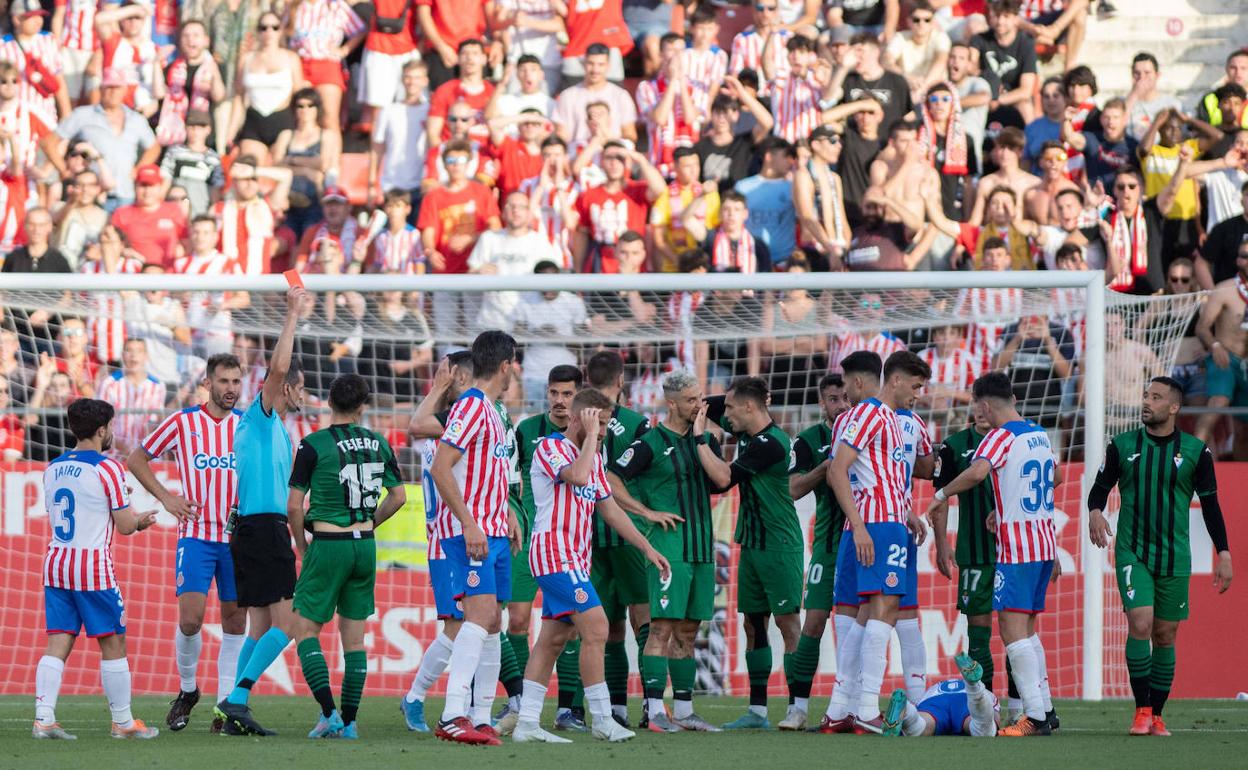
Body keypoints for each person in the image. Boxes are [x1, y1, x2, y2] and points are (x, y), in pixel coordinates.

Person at [511, 390, 671, 744]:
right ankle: (601, 718)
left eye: (604, 426)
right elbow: (578, 477)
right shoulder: (550, 448)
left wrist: (647, 547)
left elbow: (610, 509)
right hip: (554, 552)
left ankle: (526, 723)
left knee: (552, 639)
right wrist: (589, 440)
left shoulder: (593, 458)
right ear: (581, 418)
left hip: (574, 558)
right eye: (598, 424)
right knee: (597, 627)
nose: (603, 432)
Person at [1087, 376, 1232, 737]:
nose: (1146, 402)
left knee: (1165, 636)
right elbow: (1099, 490)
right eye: (1145, 396)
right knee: (1140, 623)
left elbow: (1211, 506)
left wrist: (1224, 553)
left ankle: (1158, 715)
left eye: (1155, 397)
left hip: (1174, 555)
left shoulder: (1197, 452)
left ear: (1174, 407)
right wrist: (1094, 511)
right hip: (1132, 551)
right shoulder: (1121, 446)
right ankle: (1141, 711)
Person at [926, 371, 1061, 737]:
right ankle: (1045, 709)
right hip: (1043, 544)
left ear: (985, 406)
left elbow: (976, 472)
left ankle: (1032, 717)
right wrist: (1005, 508)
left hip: (1017, 550)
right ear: (1013, 400)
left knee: (1012, 631)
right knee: (1029, 631)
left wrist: (939, 496)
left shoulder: (1000, 436)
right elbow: (1056, 476)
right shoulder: (1037, 432)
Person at [127, 351, 246, 734]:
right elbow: (137, 458)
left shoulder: (248, 426)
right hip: (195, 536)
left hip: (237, 539)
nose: (231, 389)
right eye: (224, 381)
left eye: (236, 381)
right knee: (192, 621)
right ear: (208, 384)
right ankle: (188, 691)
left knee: (234, 621)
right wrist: (167, 498)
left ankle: (226, 707)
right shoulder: (183, 421)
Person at [212, 287, 312, 736]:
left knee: (262, 625)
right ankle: (235, 699)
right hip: (263, 531)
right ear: (287, 388)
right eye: (301, 387)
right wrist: (291, 314)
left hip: (252, 530)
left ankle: (234, 710)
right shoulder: (262, 415)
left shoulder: (278, 432)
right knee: (291, 624)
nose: (303, 395)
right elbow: (277, 366)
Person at [32, 398, 159, 740]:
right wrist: (139, 520)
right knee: (113, 641)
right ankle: (123, 722)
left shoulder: (53, 467)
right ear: (102, 430)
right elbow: (125, 525)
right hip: (91, 566)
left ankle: (43, 718)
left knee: (58, 639)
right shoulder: (109, 469)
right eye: (111, 427)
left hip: (57, 563)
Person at [288, 374, 405, 740]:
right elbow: (398, 496)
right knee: (354, 641)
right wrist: (370, 523)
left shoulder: (313, 445)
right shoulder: (379, 443)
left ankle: (329, 714)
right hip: (364, 546)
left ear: (328, 403)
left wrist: (302, 546)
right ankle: (351, 724)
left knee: (305, 630)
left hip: (328, 543)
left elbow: (293, 505)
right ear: (362, 407)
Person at [822, 350, 928, 733]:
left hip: (883, 520)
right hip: (875, 526)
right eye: (915, 386)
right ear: (896, 380)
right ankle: (866, 708)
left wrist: (905, 511)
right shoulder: (870, 413)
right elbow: (837, 469)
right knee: (884, 611)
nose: (918, 394)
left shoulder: (890, 419)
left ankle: (840, 708)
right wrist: (861, 524)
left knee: (866, 617)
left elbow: (878, 476)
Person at [430, 330, 522, 746]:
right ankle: (453, 714)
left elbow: (488, 472)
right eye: (513, 366)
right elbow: (441, 468)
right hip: (471, 533)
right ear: (505, 366)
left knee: (493, 622)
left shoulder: (494, 411)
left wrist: (505, 515)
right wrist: (470, 523)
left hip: (495, 530)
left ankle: (481, 716)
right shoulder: (470, 406)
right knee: (479, 618)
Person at [694, 377, 802, 730]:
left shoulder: (771, 443)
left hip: (779, 545)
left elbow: (723, 479)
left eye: (730, 408)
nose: (724, 415)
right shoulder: (745, 430)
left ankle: (797, 708)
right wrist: (697, 400)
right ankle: (757, 712)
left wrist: (699, 440)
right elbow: (708, 405)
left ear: (750, 407)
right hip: (753, 545)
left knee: (788, 624)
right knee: (753, 625)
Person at [779, 373, 848, 730]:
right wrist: (824, 469)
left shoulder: (868, 429)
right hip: (827, 545)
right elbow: (790, 489)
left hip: (866, 543)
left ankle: (851, 705)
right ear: (822, 402)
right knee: (814, 623)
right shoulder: (809, 440)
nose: (842, 405)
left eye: (846, 398)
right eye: (834, 399)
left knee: (864, 628)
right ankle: (798, 707)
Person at [931, 407, 999, 699]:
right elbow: (941, 497)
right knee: (978, 633)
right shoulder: (954, 446)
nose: (982, 410)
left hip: (1016, 552)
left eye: (989, 403)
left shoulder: (1017, 439)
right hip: (974, 552)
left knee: (1017, 633)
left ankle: (1026, 706)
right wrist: (942, 543)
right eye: (977, 402)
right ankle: (987, 703)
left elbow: (1054, 477)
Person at [55, 67, 159, 209]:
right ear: (101, 89)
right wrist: (63, 170)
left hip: (126, 193)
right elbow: (52, 141)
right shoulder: (83, 115)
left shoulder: (136, 119)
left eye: (117, 87)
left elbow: (154, 147)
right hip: (93, 196)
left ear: (125, 90)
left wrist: (137, 169)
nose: (113, 92)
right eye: (109, 87)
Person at [572, 142, 666, 274]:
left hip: (632, 266)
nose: (614, 163)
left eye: (620, 158)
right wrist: (578, 270)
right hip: (599, 266)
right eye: (609, 158)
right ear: (601, 162)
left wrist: (640, 160)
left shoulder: (638, 190)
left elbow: (660, 190)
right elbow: (581, 235)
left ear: (627, 162)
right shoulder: (588, 195)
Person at [228, 10, 304, 166]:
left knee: (281, 163)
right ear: (258, 31)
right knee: (250, 166)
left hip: (283, 119)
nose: (269, 32)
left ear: (281, 30)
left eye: (274, 27)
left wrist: (301, 128)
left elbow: (299, 96)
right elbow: (239, 98)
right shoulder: (246, 59)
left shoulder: (291, 58)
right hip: (254, 120)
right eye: (264, 27)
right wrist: (231, 132)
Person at [1194, 241, 1248, 453]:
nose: (1247, 259)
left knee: (1244, 428)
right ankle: (1190, 465)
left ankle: (1241, 481)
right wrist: (1215, 345)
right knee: (1218, 402)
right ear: (1237, 260)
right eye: (1244, 255)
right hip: (1226, 357)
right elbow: (1202, 328)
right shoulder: (1224, 289)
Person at [287, 0, 366, 134]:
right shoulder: (295, 7)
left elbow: (360, 29)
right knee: (300, 116)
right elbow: (285, 34)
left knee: (329, 118)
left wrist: (344, 50)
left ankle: (331, 153)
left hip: (327, 64)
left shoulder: (335, 5)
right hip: (301, 65)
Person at [273, 88, 340, 237]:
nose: (305, 110)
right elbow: (277, 164)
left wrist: (290, 161)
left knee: (309, 240)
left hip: (314, 201)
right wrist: (305, 170)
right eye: (300, 106)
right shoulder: (286, 135)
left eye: (310, 105)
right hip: (288, 202)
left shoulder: (327, 135)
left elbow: (323, 164)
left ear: (317, 108)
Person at [881, 655, 1000, 737]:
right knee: (984, 729)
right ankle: (974, 687)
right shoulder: (988, 695)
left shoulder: (935, 689)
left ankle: (907, 712)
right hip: (965, 698)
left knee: (922, 725)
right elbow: (995, 716)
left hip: (935, 696)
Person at [368, 59, 429, 209]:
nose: (412, 82)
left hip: (420, 185)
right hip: (391, 185)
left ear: (425, 81)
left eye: (417, 77)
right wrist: (371, 185)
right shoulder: (388, 110)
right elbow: (377, 149)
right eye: (408, 77)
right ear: (402, 79)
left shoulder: (431, 111)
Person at [552, 43, 638, 146]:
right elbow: (561, 135)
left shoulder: (621, 96)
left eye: (601, 64)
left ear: (608, 66)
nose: (595, 70)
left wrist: (607, 136)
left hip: (612, 153)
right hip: (578, 155)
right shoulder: (567, 96)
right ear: (583, 64)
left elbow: (630, 135)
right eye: (590, 63)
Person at [109, 164, 189, 269]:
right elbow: (110, 246)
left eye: (151, 186)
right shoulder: (121, 213)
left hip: (169, 276)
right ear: (135, 186)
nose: (147, 192)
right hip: (135, 275)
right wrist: (125, 252)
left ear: (160, 187)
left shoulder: (174, 211)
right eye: (143, 185)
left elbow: (187, 244)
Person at [971, 0, 1037, 125]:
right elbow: (970, 69)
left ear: (1016, 19)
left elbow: (1026, 90)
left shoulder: (1026, 44)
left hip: (1011, 96)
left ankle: (1032, 143)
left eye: (1006, 16)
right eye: (996, 15)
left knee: (1026, 106)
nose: (1000, 21)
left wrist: (998, 99)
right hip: (985, 93)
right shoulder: (979, 39)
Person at [96, 338, 165, 457]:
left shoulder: (157, 386)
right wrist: (121, 446)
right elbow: (99, 424)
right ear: (122, 355)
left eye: (139, 351)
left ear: (146, 356)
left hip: (146, 457)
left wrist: (142, 449)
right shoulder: (109, 383)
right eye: (129, 350)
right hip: (113, 456)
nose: (133, 355)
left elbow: (155, 423)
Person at [160, 110, 224, 217]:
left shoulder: (214, 158)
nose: (195, 131)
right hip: (174, 211)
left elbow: (216, 188)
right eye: (191, 126)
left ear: (208, 130)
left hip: (200, 211)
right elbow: (165, 180)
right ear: (185, 127)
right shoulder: (174, 152)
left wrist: (211, 211)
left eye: (200, 127)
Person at [1125, 52, 1182, 143]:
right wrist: (1134, 95)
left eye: (1147, 73)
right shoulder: (1123, 103)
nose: (1142, 77)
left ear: (1157, 75)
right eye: (1137, 73)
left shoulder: (1172, 104)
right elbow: (1118, 126)